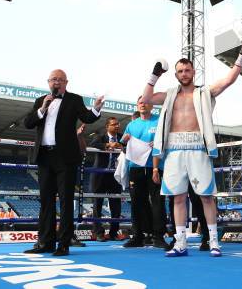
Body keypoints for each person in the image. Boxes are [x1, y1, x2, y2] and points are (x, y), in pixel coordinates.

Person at [141, 35, 242, 257]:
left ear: (193, 72)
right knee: (178, 197)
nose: (184, 74)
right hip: (174, 150)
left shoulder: (203, 92)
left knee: (206, 196)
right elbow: (145, 98)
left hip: (197, 148)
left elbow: (228, 80)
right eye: (180, 71)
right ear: (176, 74)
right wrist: (154, 75)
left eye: (187, 70)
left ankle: (213, 241)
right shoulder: (169, 95)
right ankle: (180, 242)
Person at [23, 69, 104, 256]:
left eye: (60, 80)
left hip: (65, 157)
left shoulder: (74, 99)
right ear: (48, 82)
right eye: (53, 80)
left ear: (66, 82)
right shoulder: (40, 100)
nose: (56, 83)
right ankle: (45, 242)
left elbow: (87, 117)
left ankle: (64, 244)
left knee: (66, 201)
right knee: (46, 201)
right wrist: (42, 109)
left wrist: (96, 108)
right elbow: (28, 122)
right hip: (44, 156)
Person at [120, 97, 169, 250]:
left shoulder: (159, 121)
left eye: (146, 102)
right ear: (137, 106)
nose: (142, 104)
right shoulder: (131, 125)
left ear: (152, 105)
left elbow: (168, 139)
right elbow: (122, 147)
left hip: (156, 167)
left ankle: (159, 236)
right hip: (135, 167)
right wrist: (124, 141)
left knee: (158, 202)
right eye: (140, 102)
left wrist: (160, 143)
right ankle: (138, 236)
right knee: (136, 202)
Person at [90, 117, 124, 241]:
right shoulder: (101, 136)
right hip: (100, 175)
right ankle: (98, 233)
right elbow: (93, 144)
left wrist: (121, 145)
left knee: (116, 204)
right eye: (114, 124)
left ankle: (114, 232)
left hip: (115, 175)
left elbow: (129, 145)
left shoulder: (122, 136)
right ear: (107, 126)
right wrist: (108, 145)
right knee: (97, 204)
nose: (117, 126)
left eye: (118, 124)